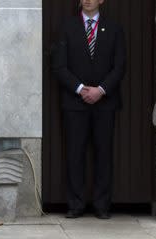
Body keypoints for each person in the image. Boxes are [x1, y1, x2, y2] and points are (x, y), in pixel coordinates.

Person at [52, 0, 126, 219]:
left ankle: (102, 205)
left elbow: (120, 65)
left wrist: (101, 90)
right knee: (75, 154)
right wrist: (80, 88)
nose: (88, 0)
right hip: (75, 102)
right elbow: (59, 65)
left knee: (104, 154)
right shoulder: (67, 27)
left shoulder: (114, 28)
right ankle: (76, 204)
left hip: (105, 102)